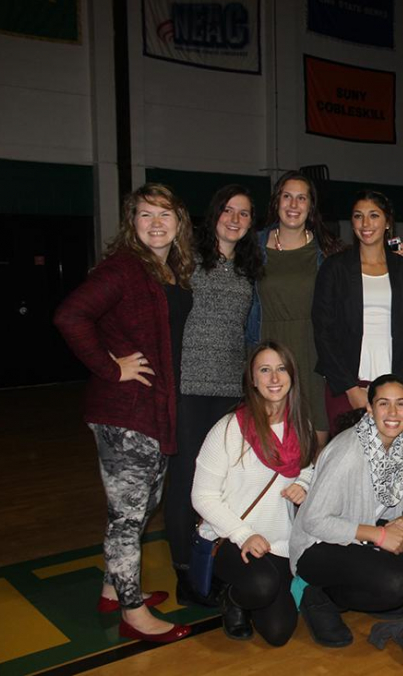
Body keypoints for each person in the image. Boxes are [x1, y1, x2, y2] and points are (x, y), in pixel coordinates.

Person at [54, 183, 194, 643]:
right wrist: (110, 368)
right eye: (146, 215)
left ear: (179, 222)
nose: (156, 223)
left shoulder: (166, 270)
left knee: (142, 505)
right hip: (123, 412)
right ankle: (133, 614)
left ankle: (114, 587)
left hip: (150, 410)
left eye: (165, 214)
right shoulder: (124, 269)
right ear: (131, 223)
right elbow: (70, 315)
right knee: (129, 517)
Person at [167, 184, 264, 606]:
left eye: (243, 213)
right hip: (189, 385)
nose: (235, 219)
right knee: (185, 480)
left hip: (230, 388)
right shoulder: (185, 258)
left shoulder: (248, 267)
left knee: (221, 481)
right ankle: (185, 573)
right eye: (228, 210)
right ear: (215, 214)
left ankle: (212, 563)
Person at [289, 375, 403, 648]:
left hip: (365, 534)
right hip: (318, 547)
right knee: (396, 586)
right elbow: (314, 520)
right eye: (383, 404)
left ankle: (356, 586)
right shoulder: (349, 452)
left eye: (400, 404)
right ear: (369, 408)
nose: (392, 413)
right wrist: (377, 535)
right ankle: (315, 593)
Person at [191, 342, 315, 645]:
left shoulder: (301, 425)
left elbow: (309, 468)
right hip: (231, 536)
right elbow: (202, 496)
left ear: (292, 376)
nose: (274, 377)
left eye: (281, 368)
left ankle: (253, 590)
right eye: (264, 370)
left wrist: (305, 484)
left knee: (278, 633)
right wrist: (243, 533)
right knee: (261, 585)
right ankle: (231, 597)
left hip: (280, 540)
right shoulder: (229, 429)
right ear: (252, 379)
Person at [313, 190, 403, 437]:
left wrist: (401, 387)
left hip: (392, 383)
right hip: (347, 384)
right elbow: (322, 331)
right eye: (358, 216)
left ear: (387, 222)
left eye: (374, 215)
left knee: (388, 461)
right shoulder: (334, 268)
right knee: (346, 461)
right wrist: (350, 388)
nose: (365, 224)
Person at [246, 171, 344, 447]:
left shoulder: (327, 251)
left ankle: (311, 487)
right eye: (287, 196)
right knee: (269, 429)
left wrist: (392, 259)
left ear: (310, 206)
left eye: (301, 198)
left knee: (315, 428)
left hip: (311, 349)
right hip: (267, 344)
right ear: (276, 202)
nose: (293, 204)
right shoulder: (252, 245)